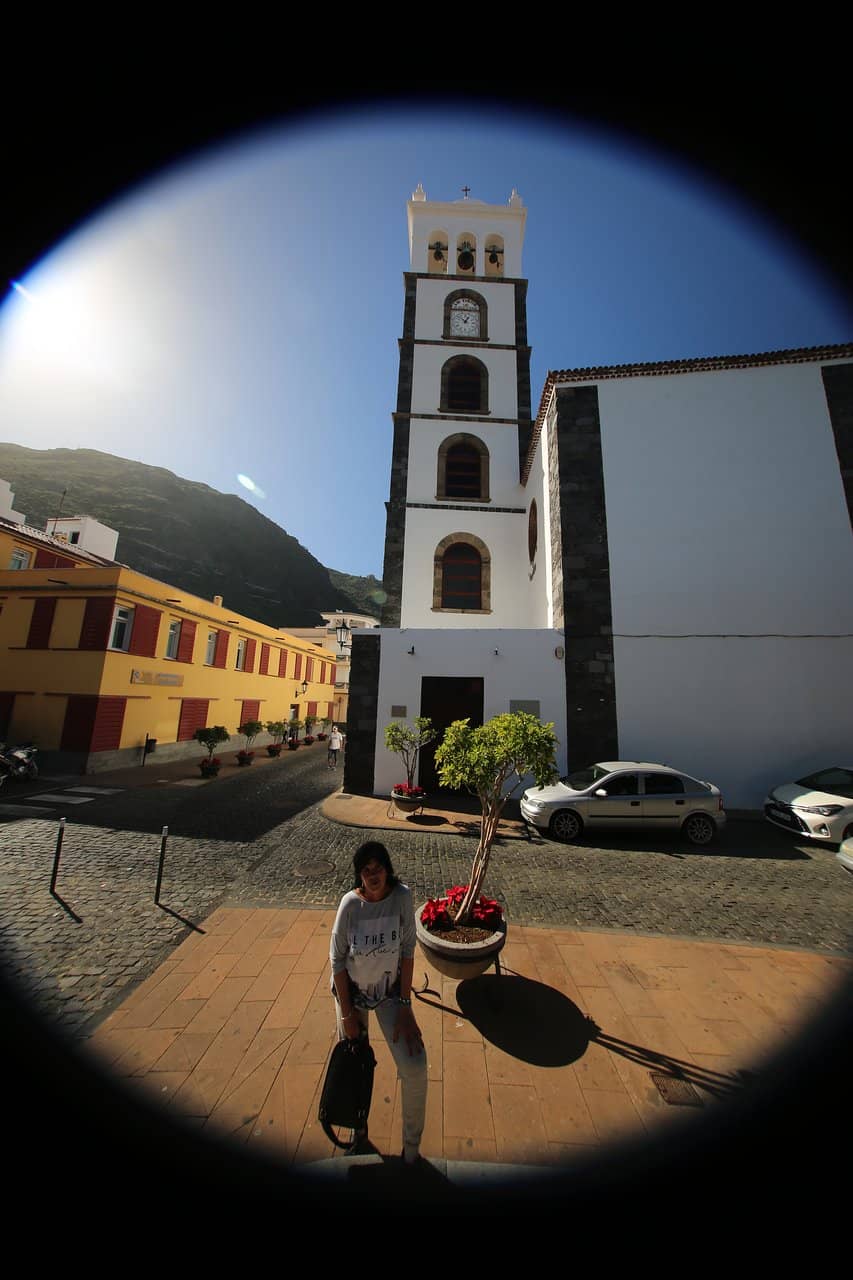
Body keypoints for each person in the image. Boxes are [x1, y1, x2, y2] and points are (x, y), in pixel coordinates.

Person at [329, 840, 427, 1165]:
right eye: (366, 870)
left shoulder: (402, 898)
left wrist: (405, 1006)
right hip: (352, 995)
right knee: (354, 1067)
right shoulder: (349, 905)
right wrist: (347, 1016)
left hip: (389, 994)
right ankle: (358, 1133)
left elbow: (408, 951)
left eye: (378, 868)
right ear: (359, 875)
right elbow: (337, 961)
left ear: (388, 870)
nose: (373, 876)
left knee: (415, 1067)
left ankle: (411, 1150)